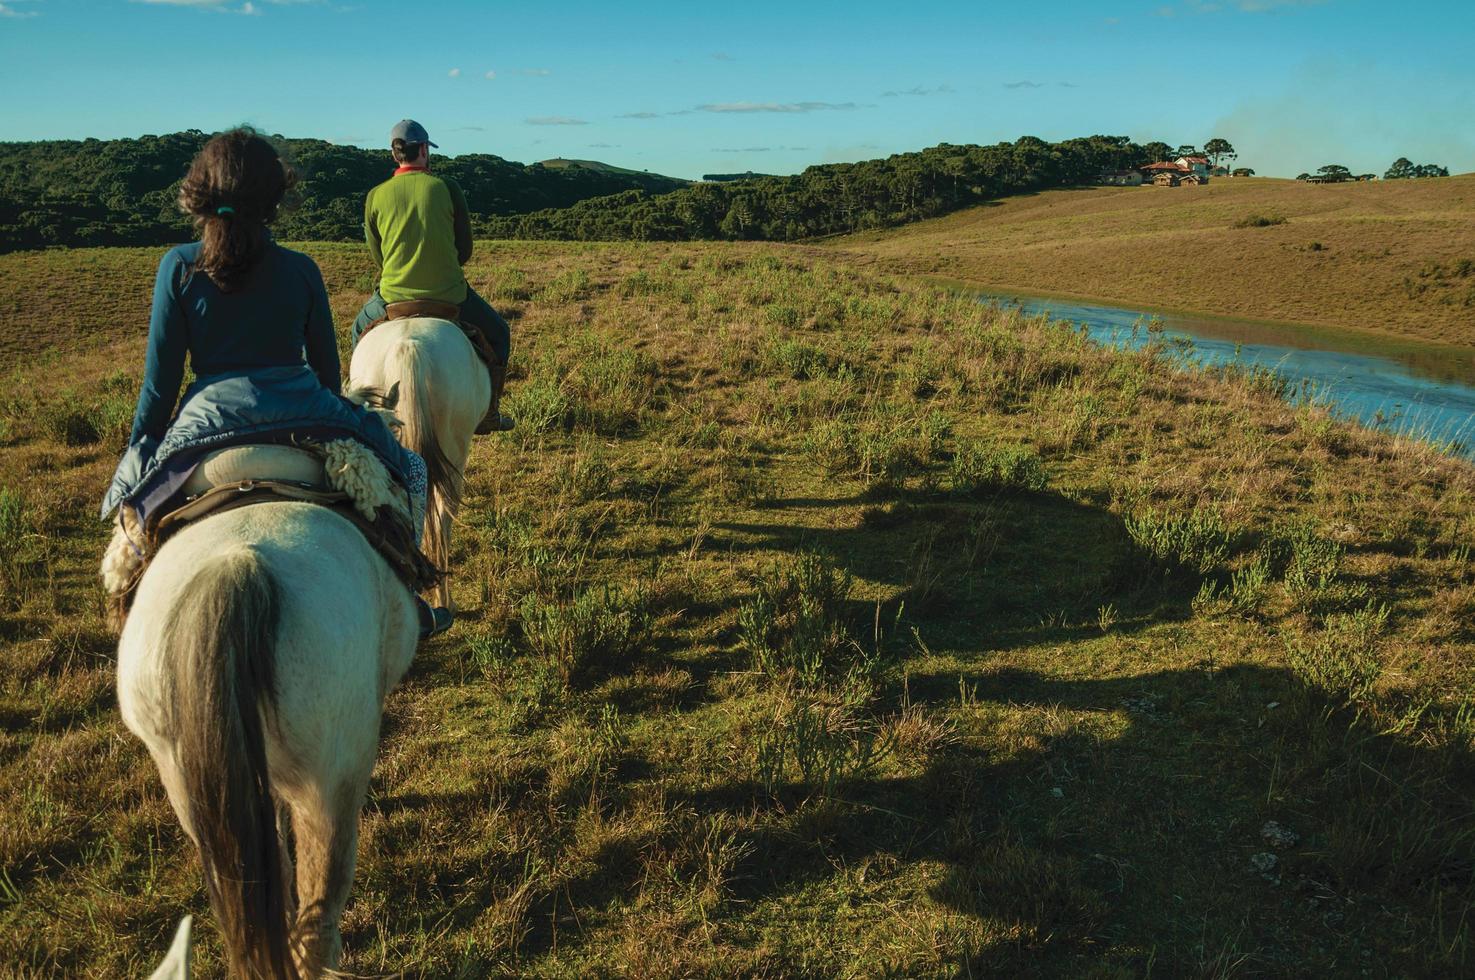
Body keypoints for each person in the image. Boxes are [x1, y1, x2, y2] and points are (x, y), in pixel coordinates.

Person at [103, 128, 450, 637]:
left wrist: (143, 451)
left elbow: (160, 387)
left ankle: (124, 607)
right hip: (305, 408)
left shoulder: (177, 267)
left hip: (207, 418)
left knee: (132, 529)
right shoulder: (301, 269)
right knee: (414, 472)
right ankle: (410, 595)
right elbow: (331, 380)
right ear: (274, 196)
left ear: (203, 191)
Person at [352, 119, 513, 433]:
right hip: (448, 294)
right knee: (499, 333)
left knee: (357, 330)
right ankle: (491, 412)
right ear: (424, 150)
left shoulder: (376, 195)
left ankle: (352, 409)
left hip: (392, 297)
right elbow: (464, 248)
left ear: (394, 154)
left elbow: (378, 256)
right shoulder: (446, 187)